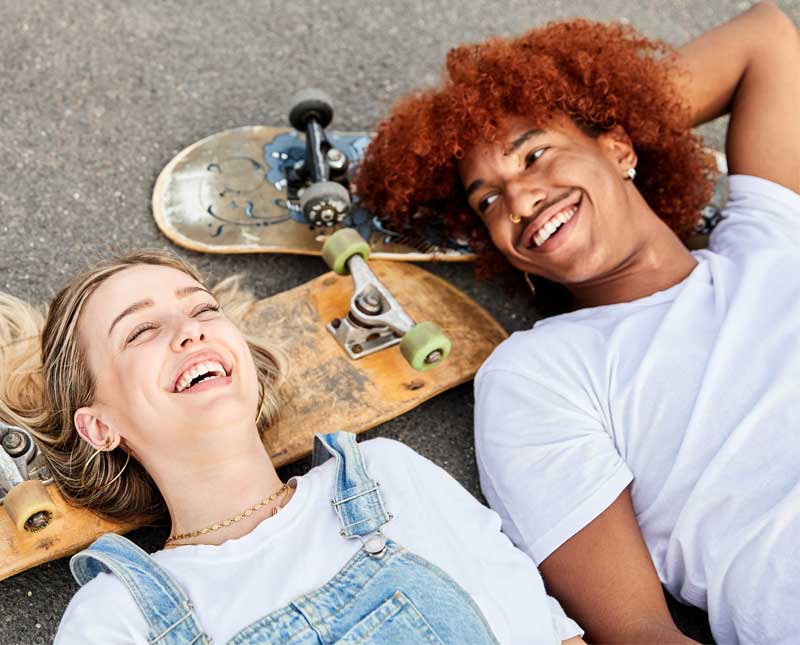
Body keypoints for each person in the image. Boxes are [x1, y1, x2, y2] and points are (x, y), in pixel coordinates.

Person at [355, 3, 800, 643]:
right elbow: (640, 632)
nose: (518, 198)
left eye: (534, 154)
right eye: (488, 200)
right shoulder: (538, 374)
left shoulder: (770, 240)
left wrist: (634, 111)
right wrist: (574, 158)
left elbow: (768, 38)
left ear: (619, 147)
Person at [0, 250, 584, 644]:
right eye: (141, 330)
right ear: (99, 427)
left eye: (203, 308)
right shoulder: (118, 619)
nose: (191, 329)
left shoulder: (389, 479)